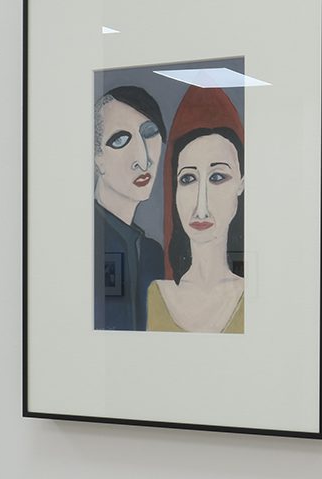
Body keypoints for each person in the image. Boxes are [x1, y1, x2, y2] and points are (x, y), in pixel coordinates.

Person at [147, 85, 246, 333]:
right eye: (188, 179)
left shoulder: (256, 295)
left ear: (241, 185)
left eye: (217, 177)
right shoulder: (155, 295)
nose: (201, 208)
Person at [94, 86, 167, 330]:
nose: (143, 160)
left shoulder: (152, 255)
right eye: (120, 140)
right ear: (96, 158)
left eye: (150, 133)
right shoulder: (85, 242)